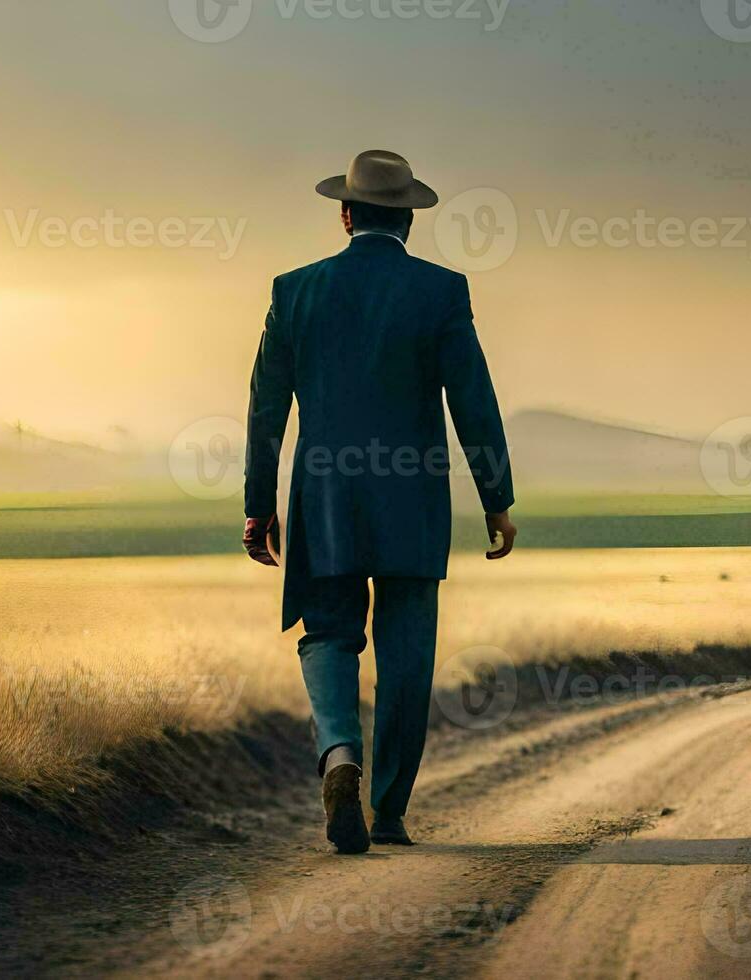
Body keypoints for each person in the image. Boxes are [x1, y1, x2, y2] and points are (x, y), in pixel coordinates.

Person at [241, 150, 516, 854]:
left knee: (328, 634)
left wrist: (257, 502)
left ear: (344, 215)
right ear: (410, 220)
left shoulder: (294, 291)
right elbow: (473, 403)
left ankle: (339, 756)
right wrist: (496, 497)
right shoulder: (441, 292)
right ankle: (389, 809)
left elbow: (266, 405)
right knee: (406, 654)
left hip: (325, 497)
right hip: (412, 504)